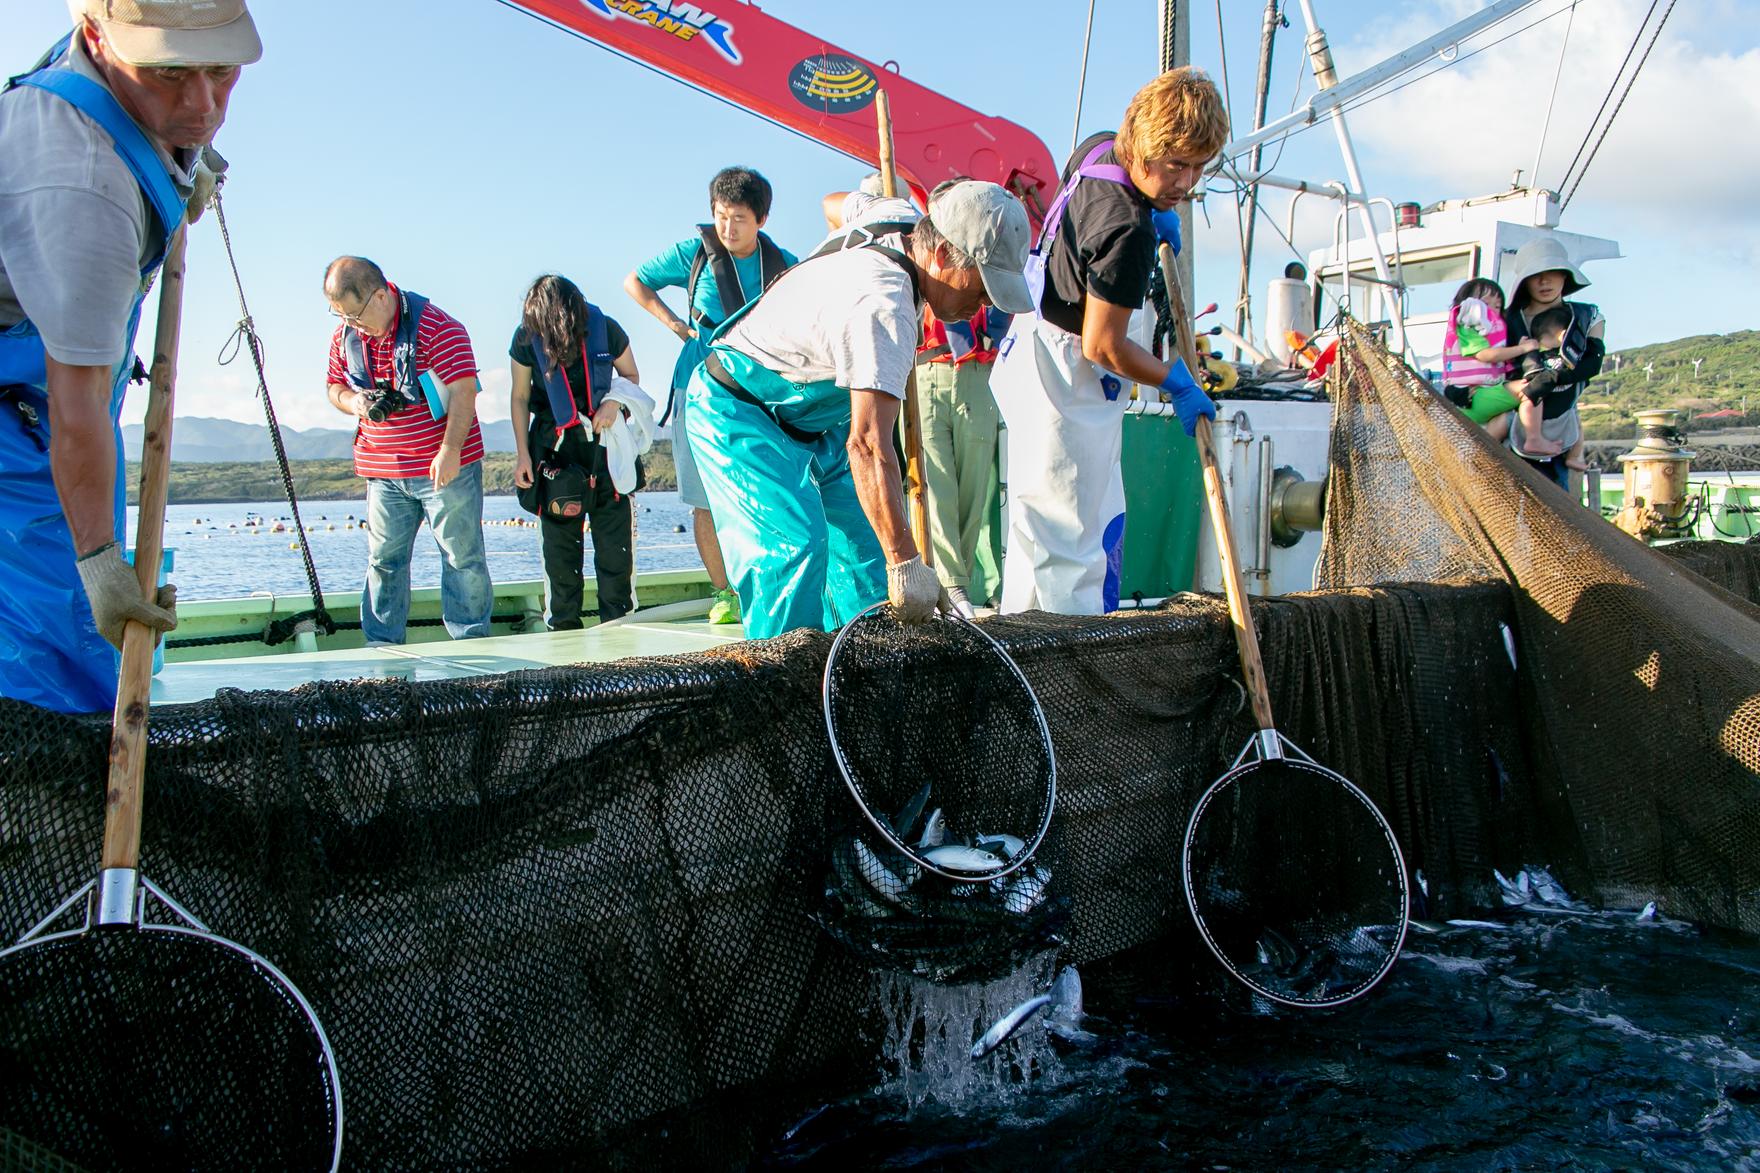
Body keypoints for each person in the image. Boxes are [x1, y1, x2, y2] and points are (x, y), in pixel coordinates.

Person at [0, 0, 260, 713]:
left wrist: (179, 153)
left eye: (222, 71)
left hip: (57, 378)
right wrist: (99, 563)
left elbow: (176, 94)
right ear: (96, 37)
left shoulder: (115, 56)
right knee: (61, 642)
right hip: (27, 411)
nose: (204, 104)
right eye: (171, 74)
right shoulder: (80, 182)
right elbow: (74, 404)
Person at [682, 180, 1035, 640]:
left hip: (819, 418)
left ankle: (858, 683)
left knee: (870, 563)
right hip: (738, 407)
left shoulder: (896, 214)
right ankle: (786, 698)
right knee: (792, 550)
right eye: (985, 286)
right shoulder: (884, 307)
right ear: (943, 255)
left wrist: (895, 556)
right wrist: (909, 564)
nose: (985, 304)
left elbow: (834, 202)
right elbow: (868, 446)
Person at [991, 67, 1231, 616]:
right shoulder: (1127, 232)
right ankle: (1069, 672)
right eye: (1177, 166)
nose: (1188, 183)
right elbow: (1104, 345)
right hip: (1067, 373)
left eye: (1199, 167)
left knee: (1036, 530)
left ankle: (1019, 656)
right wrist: (1175, 382)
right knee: (1076, 541)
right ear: (1146, 147)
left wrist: (1155, 207)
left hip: (1029, 345)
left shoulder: (1102, 146)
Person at [624, 167, 796, 625]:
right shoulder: (695, 254)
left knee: (763, 494)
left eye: (738, 217)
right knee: (703, 499)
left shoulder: (785, 265)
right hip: (695, 389)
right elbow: (635, 281)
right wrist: (676, 327)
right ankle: (725, 593)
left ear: (761, 218)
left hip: (758, 397)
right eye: (720, 216)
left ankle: (766, 586)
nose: (728, 228)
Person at [322, 256, 493, 645]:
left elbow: (465, 393)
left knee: (461, 559)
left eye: (355, 316)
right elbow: (334, 387)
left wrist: (449, 450)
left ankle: (471, 643)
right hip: (382, 472)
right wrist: (355, 403)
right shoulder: (345, 338)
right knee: (384, 562)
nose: (350, 325)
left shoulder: (439, 327)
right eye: (341, 317)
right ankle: (382, 648)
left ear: (381, 296)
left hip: (445, 468)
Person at [510, 275, 650, 629]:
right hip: (554, 458)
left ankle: (621, 638)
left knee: (615, 557)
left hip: (606, 455)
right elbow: (520, 397)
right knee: (559, 560)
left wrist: (615, 404)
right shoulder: (526, 337)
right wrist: (522, 455)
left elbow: (631, 376)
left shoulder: (607, 329)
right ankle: (562, 636)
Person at [914, 297, 1010, 617]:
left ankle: (957, 590)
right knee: (935, 489)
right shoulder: (916, 247)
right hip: (928, 366)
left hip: (982, 373)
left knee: (974, 494)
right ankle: (952, 587)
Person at [1502, 237, 1605, 487]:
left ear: (1565, 277)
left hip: (1562, 429)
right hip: (1511, 429)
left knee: (1562, 511)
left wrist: (1554, 377)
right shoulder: (1505, 321)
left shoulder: (1587, 317)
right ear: (1525, 282)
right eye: (1536, 275)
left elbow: (1592, 364)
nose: (1544, 281)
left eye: (1552, 273)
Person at [1441, 277, 1532, 444]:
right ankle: (1533, 439)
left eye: (1497, 306)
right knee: (1529, 387)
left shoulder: (1490, 335)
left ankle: (1483, 452)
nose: (1492, 310)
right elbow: (1485, 355)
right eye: (1486, 304)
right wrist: (1523, 348)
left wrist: (1515, 348)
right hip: (1471, 397)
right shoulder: (1468, 326)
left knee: (1504, 418)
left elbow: (1496, 359)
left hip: (1483, 395)